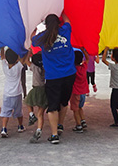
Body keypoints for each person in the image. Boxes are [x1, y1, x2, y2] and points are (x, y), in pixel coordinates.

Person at [31, 13, 75, 145]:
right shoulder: (65, 30)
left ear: (46, 25)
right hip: (69, 74)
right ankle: (60, 125)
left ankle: (54, 134)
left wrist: (35, 22)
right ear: (59, 22)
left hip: (53, 76)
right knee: (64, 102)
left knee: (53, 106)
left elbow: (32, 38)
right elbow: (68, 20)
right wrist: (62, 10)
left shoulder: (42, 37)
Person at [0, 48, 26, 138]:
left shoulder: (5, 66)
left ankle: (4, 128)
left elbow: (2, 56)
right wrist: (28, 51)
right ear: (17, 58)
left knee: (5, 112)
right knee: (18, 111)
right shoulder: (18, 67)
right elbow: (23, 60)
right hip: (17, 93)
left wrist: (2, 47)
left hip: (7, 93)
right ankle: (20, 126)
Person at [25, 52, 48, 143]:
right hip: (44, 90)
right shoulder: (45, 68)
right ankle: (39, 130)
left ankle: (31, 115)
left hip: (36, 89)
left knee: (27, 101)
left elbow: (26, 61)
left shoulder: (34, 67)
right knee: (40, 114)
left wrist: (29, 53)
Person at [69, 50, 88, 133]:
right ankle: (83, 121)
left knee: (75, 109)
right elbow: (87, 59)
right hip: (83, 92)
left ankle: (78, 125)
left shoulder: (72, 69)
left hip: (75, 92)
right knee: (80, 107)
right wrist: (83, 49)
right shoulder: (83, 68)